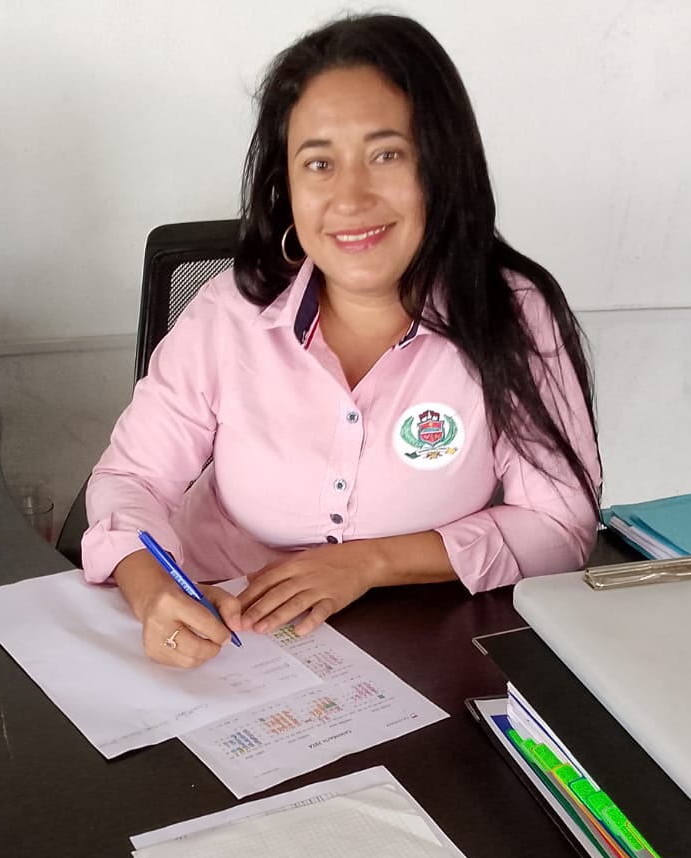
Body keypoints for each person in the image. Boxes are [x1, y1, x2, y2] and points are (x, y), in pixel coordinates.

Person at [82, 14, 601, 667]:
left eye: (386, 154)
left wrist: (370, 563)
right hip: (224, 637)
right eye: (319, 164)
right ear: (288, 186)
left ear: (442, 166)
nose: (350, 198)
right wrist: (153, 587)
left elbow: (561, 523)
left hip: (416, 651)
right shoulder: (228, 315)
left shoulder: (511, 315)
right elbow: (131, 478)